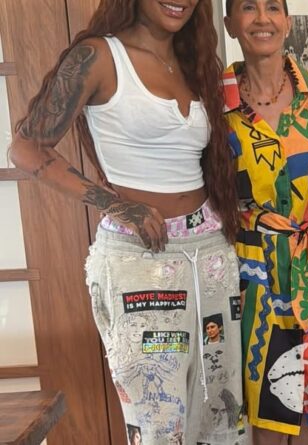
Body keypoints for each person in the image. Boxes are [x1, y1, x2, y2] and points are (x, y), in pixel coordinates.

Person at [8, 0, 245, 443]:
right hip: (141, 261)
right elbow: (25, 148)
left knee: (221, 412)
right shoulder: (99, 56)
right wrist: (118, 206)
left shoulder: (192, 60)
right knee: (158, 419)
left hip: (210, 254)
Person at [222, 0, 308, 443]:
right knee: (268, 410)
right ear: (229, 24)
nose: (263, 18)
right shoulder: (215, 101)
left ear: (288, 21)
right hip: (252, 274)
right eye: (249, 7)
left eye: (273, 7)